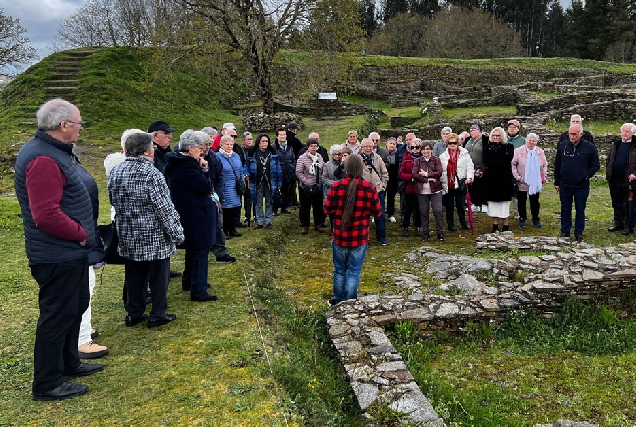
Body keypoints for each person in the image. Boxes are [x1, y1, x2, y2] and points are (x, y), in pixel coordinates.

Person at [15, 98, 103, 401]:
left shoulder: (53, 152)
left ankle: (69, 362)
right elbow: (45, 214)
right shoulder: (43, 159)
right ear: (64, 126)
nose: (81, 129)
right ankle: (48, 383)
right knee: (56, 315)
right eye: (79, 124)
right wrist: (80, 234)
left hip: (69, 253)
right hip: (57, 254)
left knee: (74, 306)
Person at [108, 132, 185, 328]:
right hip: (153, 235)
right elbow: (164, 208)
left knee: (134, 275)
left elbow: (113, 201)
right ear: (146, 151)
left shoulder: (116, 172)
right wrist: (177, 233)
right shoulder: (152, 174)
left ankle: (134, 313)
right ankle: (158, 313)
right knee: (159, 277)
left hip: (128, 233)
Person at [164, 130, 217, 302]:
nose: (202, 152)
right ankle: (199, 288)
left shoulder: (178, 163)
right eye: (200, 148)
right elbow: (205, 187)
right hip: (195, 212)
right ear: (191, 148)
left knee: (193, 248)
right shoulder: (187, 166)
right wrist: (205, 169)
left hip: (189, 211)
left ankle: (189, 281)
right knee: (200, 249)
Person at [324, 155, 381, 305]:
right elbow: (378, 213)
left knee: (339, 271)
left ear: (346, 168)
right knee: (354, 272)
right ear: (362, 168)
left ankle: (337, 300)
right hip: (360, 237)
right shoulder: (370, 188)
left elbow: (327, 209)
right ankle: (350, 303)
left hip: (340, 237)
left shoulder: (336, 186)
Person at [554, 123, 600, 242]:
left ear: (581, 134)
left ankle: (579, 232)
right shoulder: (563, 146)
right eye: (570, 134)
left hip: (581, 186)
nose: (572, 136)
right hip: (565, 184)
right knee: (565, 208)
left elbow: (595, 165)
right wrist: (557, 181)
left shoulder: (590, 147)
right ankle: (565, 231)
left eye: (574, 134)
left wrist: (586, 175)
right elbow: (557, 164)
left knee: (580, 209)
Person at [200, 129, 236, 263]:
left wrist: (217, 194)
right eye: (208, 141)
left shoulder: (214, 157)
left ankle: (220, 252)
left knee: (218, 223)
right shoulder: (195, 158)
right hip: (200, 196)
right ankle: (207, 248)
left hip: (214, 195)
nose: (209, 145)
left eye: (211, 141)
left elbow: (221, 176)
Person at [245, 133, 282, 229]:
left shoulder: (273, 153)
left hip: (270, 181)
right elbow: (247, 166)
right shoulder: (252, 153)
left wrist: (279, 183)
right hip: (256, 181)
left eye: (266, 141)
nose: (265, 143)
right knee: (258, 202)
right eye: (263, 141)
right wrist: (246, 173)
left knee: (269, 202)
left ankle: (269, 221)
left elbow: (278, 168)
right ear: (259, 142)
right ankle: (260, 222)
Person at [511, 133, 548, 228]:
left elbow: (544, 164)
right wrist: (518, 177)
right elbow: (513, 164)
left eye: (533, 141)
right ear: (526, 140)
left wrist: (543, 176)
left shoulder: (540, 151)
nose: (531, 142)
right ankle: (522, 218)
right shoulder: (518, 151)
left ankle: (535, 219)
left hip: (535, 181)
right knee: (521, 200)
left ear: (536, 142)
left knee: (535, 201)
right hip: (523, 181)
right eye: (529, 140)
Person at [439, 133, 474, 231]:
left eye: (454, 143)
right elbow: (440, 170)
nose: (452, 145)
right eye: (450, 143)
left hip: (461, 183)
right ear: (447, 144)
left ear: (458, 143)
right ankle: (451, 225)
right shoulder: (443, 156)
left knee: (460, 205)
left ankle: (463, 223)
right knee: (449, 206)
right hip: (448, 184)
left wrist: (469, 178)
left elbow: (470, 167)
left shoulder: (465, 154)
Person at [483, 127, 515, 233]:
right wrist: (498, 160)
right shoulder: (487, 147)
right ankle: (495, 225)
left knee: (504, 203)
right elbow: (486, 161)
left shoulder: (509, 147)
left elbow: (508, 159)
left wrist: (496, 160)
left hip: (504, 179)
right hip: (491, 179)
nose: (496, 137)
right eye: (494, 135)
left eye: (498, 135)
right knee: (493, 203)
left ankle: (506, 225)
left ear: (502, 136)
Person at [606, 123, 636, 234]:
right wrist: (608, 172)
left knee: (630, 203)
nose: (624, 133)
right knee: (616, 202)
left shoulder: (635, 145)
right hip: (614, 180)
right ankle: (618, 223)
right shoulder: (616, 144)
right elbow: (609, 160)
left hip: (630, 182)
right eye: (623, 131)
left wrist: (635, 174)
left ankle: (629, 226)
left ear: (633, 133)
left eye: (627, 131)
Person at [360, 137, 390, 245]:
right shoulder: (357, 159)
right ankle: (363, 238)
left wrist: (383, 186)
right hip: (363, 192)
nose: (368, 148)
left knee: (380, 215)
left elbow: (385, 173)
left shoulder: (378, 158)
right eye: (366, 146)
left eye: (370, 146)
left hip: (378, 191)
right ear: (362, 147)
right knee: (363, 216)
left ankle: (381, 237)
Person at [412, 141, 445, 241]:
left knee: (438, 210)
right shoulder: (417, 161)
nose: (426, 151)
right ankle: (425, 232)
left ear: (431, 150)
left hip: (435, 190)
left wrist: (426, 174)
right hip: (422, 191)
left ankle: (440, 232)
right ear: (421, 151)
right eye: (424, 149)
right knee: (424, 212)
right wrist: (428, 178)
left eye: (428, 149)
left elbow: (439, 172)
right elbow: (414, 174)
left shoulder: (436, 160)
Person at [217, 134, 246, 238]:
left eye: (231, 144)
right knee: (226, 209)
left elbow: (240, 170)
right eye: (227, 144)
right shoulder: (218, 156)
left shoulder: (236, 156)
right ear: (221, 144)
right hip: (225, 186)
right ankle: (224, 230)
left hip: (235, 186)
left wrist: (242, 183)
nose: (229, 146)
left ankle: (232, 229)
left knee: (235, 207)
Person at [296, 137, 325, 234]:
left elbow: (322, 170)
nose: (313, 148)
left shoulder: (319, 157)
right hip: (306, 187)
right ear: (307, 147)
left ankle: (318, 224)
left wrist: (319, 182)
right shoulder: (302, 158)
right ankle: (305, 226)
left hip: (317, 186)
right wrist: (307, 182)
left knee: (318, 207)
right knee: (305, 207)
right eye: (311, 146)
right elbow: (299, 172)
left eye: (315, 146)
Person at [398, 138, 422, 237]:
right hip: (409, 187)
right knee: (408, 209)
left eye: (417, 147)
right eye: (412, 147)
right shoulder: (406, 157)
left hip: (421, 187)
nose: (415, 149)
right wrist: (410, 177)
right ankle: (405, 227)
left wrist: (419, 177)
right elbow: (401, 173)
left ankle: (418, 227)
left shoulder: (424, 158)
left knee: (419, 209)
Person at [465, 123, 489, 211]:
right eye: (471, 130)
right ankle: (475, 203)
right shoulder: (468, 140)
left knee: (482, 185)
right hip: (470, 167)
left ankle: (484, 204)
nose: (472, 131)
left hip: (482, 167)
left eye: (474, 129)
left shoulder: (484, 139)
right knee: (472, 186)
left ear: (479, 131)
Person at [274, 127, 296, 215]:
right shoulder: (273, 147)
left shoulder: (289, 147)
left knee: (286, 192)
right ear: (277, 136)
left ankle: (284, 208)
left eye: (284, 134)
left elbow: (293, 159)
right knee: (275, 193)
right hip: (278, 174)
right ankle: (274, 210)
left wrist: (292, 168)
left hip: (288, 173)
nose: (282, 136)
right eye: (280, 135)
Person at [322, 144, 344, 231]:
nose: (337, 156)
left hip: (343, 191)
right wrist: (335, 183)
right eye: (335, 154)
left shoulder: (344, 164)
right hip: (331, 191)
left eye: (339, 154)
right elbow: (324, 178)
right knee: (332, 211)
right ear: (332, 155)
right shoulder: (327, 165)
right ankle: (333, 228)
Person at [382, 137, 400, 224]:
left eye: (394, 144)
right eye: (390, 143)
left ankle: (391, 214)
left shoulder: (398, 153)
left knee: (391, 197)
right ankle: (379, 213)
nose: (392, 145)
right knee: (381, 197)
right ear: (387, 144)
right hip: (383, 178)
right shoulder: (382, 153)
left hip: (393, 178)